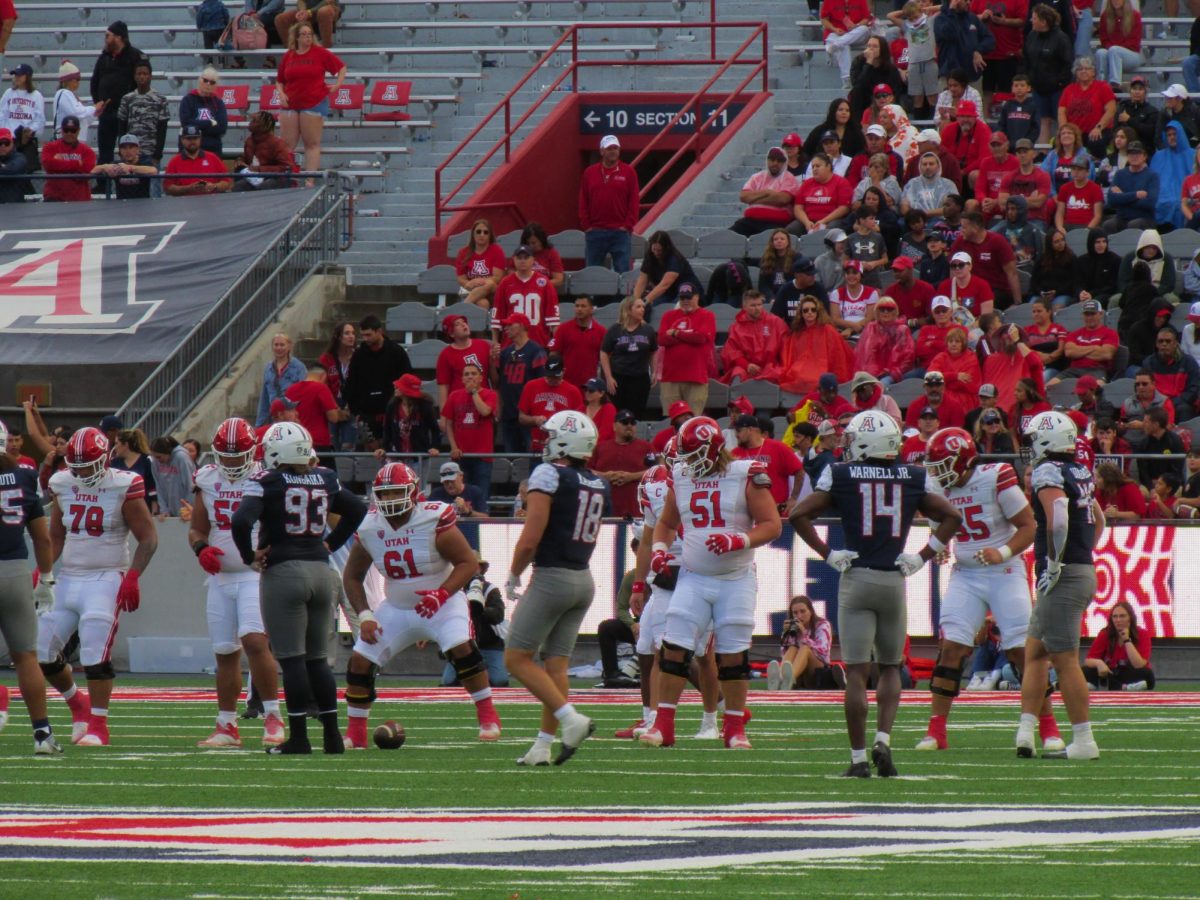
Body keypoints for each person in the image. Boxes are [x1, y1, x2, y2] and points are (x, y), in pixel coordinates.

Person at [790, 410, 962, 777]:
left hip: (856, 577)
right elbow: (951, 517)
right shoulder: (914, 475)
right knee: (890, 667)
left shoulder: (840, 473)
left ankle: (856, 760)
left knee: (855, 672)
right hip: (893, 580)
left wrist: (828, 553)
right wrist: (922, 556)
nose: (847, 446)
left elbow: (798, 515)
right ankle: (883, 738)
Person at [637, 416, 782, 751]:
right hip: (694, 576)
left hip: (736, 578)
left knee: (734, 655)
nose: (686, 463)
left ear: (712, 449)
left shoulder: (744, 474)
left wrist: (739, 540)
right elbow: (666, 523)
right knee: (674, 647)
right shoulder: (683, 477)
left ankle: (734, 729)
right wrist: (659, 550)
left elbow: (772, 524)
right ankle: (663, 726)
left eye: (692, 454)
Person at [916, 427, 1061, 752]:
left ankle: (1049, 727)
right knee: (951, 648)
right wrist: (938, 543)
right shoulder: (939, 486)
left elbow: (1028, 526)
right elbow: (940, 525)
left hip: (1005, 570)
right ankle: (936, 730)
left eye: (943, 464)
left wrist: (1003, 552)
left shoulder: (996, 475)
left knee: (1021, 652)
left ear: (963, 459)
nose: (938, 473)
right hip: (966, 572)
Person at [340, 461, 501, 748]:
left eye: (396, 492)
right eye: (385, 494)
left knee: (461, 648)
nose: (389, 499)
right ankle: (356, 731)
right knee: (359, 660)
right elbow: (352, 577)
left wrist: (441, 593)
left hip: (442, 603)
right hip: (397, 607)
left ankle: (488, 715)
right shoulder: (369, 527)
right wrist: (364, 615)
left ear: (413, 492)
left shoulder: (432, 518)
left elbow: (468, 563)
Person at [231, 422, 364, 754]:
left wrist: (250, 556)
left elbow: (241, 521)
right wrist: (329, 544)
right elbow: (358, 510)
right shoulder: (325, 478)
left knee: (292, 660)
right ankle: (333, 738)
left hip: (284, 572)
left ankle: (300, 738)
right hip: (321, 570)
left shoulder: (267, 481)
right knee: (318, 660)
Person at [39, 427, 158, 746]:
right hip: (69, 577)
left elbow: (148, 537)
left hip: (107, 576)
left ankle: (99, 724)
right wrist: (43, 570)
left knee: (93, 651)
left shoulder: (123, 483)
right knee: (42, 650)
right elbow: (56, 536)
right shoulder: (62, 481)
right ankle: (78, 705)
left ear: (104, 460)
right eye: (75, 465)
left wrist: (132, 575)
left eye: (87, 465)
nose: (80, 472)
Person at [504, 411, 609, 765]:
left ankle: (571, 719)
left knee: (516, 658)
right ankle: (542, 746)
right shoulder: (597, 481)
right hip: (583, 579)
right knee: (556, 666)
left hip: (552, 578)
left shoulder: (548, 474)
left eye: (551, 435)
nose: (545, 441)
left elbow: (531, 537)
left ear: (566, 440)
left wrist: (514, 572)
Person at [188, 418, 285, 748]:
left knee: (256, 642)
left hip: (254, 576)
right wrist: (201, 549)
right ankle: (226, 725)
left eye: (236, 456)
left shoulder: (266, 478)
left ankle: (273, 716)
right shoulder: (207, 479)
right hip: (220, 579)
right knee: (224, 652)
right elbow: (197, 529)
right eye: (225, 456)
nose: (229, 463)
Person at [1015, 410, 1105, 760]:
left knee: (1065, 659)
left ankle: (1084, 740)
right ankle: (1025, 731)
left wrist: (1055, 561)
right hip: (1078, 569)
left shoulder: (1049, 470)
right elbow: (1097, 519)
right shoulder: (1079, 471)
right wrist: (1083, 552)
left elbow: (1058, 520)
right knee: (1035, 651)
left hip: (1064, 574)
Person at [0, 422, 61, 755]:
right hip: (15, 573)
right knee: (26, 657)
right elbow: (42, 536)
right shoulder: (24, 476)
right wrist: (47, 578)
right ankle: (42, 735)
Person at [275, 20, 345, 184]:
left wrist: (337, 85)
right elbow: (279, 80)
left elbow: (341, 67)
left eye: (309, 34)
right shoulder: (289, 55)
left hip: (313, 101)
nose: (307, 37)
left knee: (311, 143)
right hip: (291, 102)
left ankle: (310, 179)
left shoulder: (320, 53)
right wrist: (281, 93)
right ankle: (288, 178)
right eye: (303, 34)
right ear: (297, 37)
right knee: (287, 145)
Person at [441, 554, 508, 688]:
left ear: (480, 569)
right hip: (463, 644)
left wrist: (478, 608)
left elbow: (498, 615)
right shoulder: (453, 589)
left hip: (489, 645)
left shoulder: (490, 589)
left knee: (499, 680)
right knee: (448, 681)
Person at [344, 315, 413, 442]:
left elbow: (407, 379)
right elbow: (351, 384)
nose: (365, 339)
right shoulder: (359, 355)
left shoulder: (396, 352)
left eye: (369, 335)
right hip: (366, 414)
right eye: (363, 335)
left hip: (394, 412)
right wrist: (356, 412)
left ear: (379, 331)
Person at [89, 21, 147, 171]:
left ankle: (128, 181)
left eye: (108, 36)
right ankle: (103, 185)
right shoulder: (104, 57)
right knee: (105, 151)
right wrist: (98, 102)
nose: (105, 39)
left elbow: (143, 81)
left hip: (127, 113)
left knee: (127, 149)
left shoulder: (135, 56)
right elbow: (94, 81)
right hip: (107, 111)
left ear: (119, 37)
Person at [579, 134, 638, 273]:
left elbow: (634, 201)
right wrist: (586, 225)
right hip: (595, 231)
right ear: (602, 151)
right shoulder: (589, 172)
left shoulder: (629, 172)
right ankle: (594, 296)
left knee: (623, 272)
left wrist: (628, 225)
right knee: (592, 272)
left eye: (615, 148)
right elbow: (583, 199)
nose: (613, 151)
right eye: (609, 148)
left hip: (620, 232)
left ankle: (621, 296)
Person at [730, 414, 807, 515]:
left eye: (739, 431)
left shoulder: (777, 447)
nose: (736, 435)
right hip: (746, 514)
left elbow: (799, 471)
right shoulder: (734, 453)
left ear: (750, 429)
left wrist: (793, 499)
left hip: (776, 512)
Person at [657, 283, 716, 414]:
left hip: (696, 376)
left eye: (689, 297)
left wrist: (676, 333)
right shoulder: (668, 316)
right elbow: (661, 339)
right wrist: (690, 334)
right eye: (682, 298)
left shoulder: (707, 315)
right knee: (671, 419)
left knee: (693, 419)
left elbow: (700, 338)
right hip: (670, 377)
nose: (685, 301)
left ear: (697, 297)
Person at [778, 298, 856, 395]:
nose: (809, 312)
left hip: (822, 369)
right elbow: (791, 357)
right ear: (801, 314)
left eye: (813, 309)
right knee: (796, 376)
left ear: (818, 312)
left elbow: (837, 354)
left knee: (813, 379)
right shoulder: (797, 332)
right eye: (806, 310)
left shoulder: (828, 329)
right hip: (800, 369)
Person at [494, 313, 546, 454]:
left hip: (529, 414)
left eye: (511, 325)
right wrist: (492, 361)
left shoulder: (536, 351)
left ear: (522, 326)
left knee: (533, 454)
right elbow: (498, 382)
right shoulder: (505, 353)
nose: (506, 328)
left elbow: (542, 383)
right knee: (510, 457)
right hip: (509, 412)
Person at [492, 244, 560, 349]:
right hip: (511, 344)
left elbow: (553, 320)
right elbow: (497, 318)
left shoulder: (544, 283)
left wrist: (554, 345)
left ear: (533, 259)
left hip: (538, 342)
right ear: (514, 260)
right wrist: (495, 342)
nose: (522, 261)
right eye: (519, 258)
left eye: (526, 257)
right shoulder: (505, 283)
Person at [1023, 5, 1073, 145]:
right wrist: (1030, 79)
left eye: (1033, 18)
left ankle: (1061, 150)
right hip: (1038, 88)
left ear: (1043, 21)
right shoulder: (1031, 36)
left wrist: (1060, 83)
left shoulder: (1061, 38)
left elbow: (1067, 63)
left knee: (1061, 119)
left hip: (1057, 89)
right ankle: (1043, 152)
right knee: (1042, 120)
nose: (1030, 21)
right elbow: (1026, 58)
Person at [599, 296, 655, 420]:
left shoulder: (648, 330)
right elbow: (604, 353)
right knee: (618, 414)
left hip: (640, 378)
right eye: (638, 307)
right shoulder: (615, 330)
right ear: (629, 310)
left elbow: (653, 351)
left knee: (637, 414)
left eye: (643, 307)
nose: (642, 310)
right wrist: (608, 377)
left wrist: (655, 371)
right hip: (618, 377)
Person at [951, 212, 1021, 309]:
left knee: (974, 305)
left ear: (975, 228)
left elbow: (1012, 273)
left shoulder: (997, 241)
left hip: (996, 290)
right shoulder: (960, 242)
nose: (960, 230)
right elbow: (952, 270)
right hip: (970, 288)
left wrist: (1018, 303)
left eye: (963, 227)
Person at [597, 536, 641, 689]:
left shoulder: (666, 572)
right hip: (641, 627)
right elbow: (620, 608)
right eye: (637, 552)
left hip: (664, 627)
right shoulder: (632, 576)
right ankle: (612, 675)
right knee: (606, 627)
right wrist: (633, 624)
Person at [116, 61, 169, 189]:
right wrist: (122, 148)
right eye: (139, 74)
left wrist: (158, 154)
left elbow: (162, 128)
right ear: (134, 76)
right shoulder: (127, 98)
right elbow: (122, 125)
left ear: (150, 76)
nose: (142, 77)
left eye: (145, 74)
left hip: (150, 152)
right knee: (130, 187)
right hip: (131, 153)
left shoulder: (160, 99)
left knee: (153, 189)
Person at [517, 357, 584, 456]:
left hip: (562, 448)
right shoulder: (531, 386)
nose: (552, 379)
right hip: (538, 446)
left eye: (556, 377)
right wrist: (535, 419)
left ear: (563, 371)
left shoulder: (573, 391)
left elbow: (580, 423)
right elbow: (521, 418)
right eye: (549, 376)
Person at [767, 595, 836, 691]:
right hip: (800, 672)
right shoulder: (792, 626)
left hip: (817, 670)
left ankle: (786, 680)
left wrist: (804, 634)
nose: (799, 616)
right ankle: (781, 679)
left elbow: (823, 652)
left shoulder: (822, 625)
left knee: (805, 648)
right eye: (795, 613)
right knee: (792, 648)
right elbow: (784, 654)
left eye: (803, 611)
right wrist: (787, 635)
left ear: (811, 611)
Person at [719, 290, 787, 385]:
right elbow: (731, 351)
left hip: (770, 366)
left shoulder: (775, 322)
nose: (757, 308)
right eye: (753, 305)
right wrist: (746, 365)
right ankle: (737, 400)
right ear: (744, 307)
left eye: (759, 304)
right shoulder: (736, 327)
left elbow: (786, 347)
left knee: (778, 374)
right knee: (737, 375)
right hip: (746, 367)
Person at [1083, 601, 1154, 691]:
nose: (1118, 620)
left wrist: (1127, 640)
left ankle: (1112, 686)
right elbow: (1088, 660)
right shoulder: (1105, 634)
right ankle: (1124, 687)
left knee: (1147, 675)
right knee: (1086, 671)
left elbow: (1139, 665)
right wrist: (1099, 663)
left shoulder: (1142, 634)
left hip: (1129, 673)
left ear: (1130, 618)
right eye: (1115, 617)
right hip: (1109, 672)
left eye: (1122, 616)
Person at [1057, 57, 1116, 160]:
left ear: (1093, 72)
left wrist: (1098, 127)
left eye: (1087, 68)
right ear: (1075, 72)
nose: (1083, 71)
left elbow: (1111, 110)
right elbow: (1061, 111)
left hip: (1098, 129)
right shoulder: (1069, 89)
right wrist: (1064, 129)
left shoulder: (1103, 87)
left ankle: (1100, 164)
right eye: (1080, 69)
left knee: (1095, 141)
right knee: (1060, 141)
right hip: (1076, 131)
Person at [731, 148, 799, 237]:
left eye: (779, 161)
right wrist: (766, 193)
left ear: (784, 163)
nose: (775, 163)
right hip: (750, 221)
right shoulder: (757, 177)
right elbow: (743, 196)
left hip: (775, 222)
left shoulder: (789, 178)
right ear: (767, 160)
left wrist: (754, 199)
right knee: (729, 236)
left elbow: (782, 199)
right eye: (772, 159)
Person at [285, 361, 345, 456]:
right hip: (318, 442)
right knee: (326, 470)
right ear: (323, 376)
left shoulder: (290, 390)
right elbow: (333, 418)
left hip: (296, 440)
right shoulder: (321, 388)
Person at [548, 296, 605, 392]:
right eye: (577, 306)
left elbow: (605, 359)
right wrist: (554, 375)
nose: (579, 309)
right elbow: (554, 354)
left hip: (589, 386)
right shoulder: (563, 329)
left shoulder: (601, 332)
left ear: (591, 309)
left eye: (583, 306)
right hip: (565, 383)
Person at [853, 296, 914, 386]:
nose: (886, 312)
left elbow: (907, 358)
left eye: (889, 309)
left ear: (895, 312)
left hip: (893, 374)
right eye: (882, 309)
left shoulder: (902, 329)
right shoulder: (871, 327)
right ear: (877, 312)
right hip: (872, 373)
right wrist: (871, 375)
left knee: (882, 384)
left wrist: (892, 374)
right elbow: (866, 356)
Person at [1143, 327, 1200, 421]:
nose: (1164, 344)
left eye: (1168, 341)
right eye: (1160, 341)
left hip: (1180, 404)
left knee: (1184, 409)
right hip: (1156, 403)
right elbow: (1145, 388)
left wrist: (1171, 402)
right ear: (1156, 344)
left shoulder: (1189, 362)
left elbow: (1193, 390)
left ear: (1175, 344)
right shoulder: (1148, 363)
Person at [377, 373, 439, 460]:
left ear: (406, 390)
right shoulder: (392, 405)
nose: (395, 387)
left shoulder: (424, 406)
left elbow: (435, 429)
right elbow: (387, 429)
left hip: (419, 458)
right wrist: (384, 448)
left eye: (399, 386)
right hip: (397, 456)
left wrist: (434, 447)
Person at [1054, 299, 1117, 383]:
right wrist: (1095, 348)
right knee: (1050, 386)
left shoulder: (1110, 333)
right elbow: (1069, 352)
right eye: (1087, 314)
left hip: (1097, 370)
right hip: (1074, 370)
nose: (1089, 317)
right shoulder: (1074, 334)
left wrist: (1079, 352)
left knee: (1097, 387)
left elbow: (1106, 354)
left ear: (1101, 314)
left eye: (1093, 314)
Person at [1102, 140, 1157, 233]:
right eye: (1131, 153)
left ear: (1144, 156)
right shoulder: (1120, 174)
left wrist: (1122, 196)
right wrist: (1135, 195)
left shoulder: (1152, 176)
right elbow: (1111, 200)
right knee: (1108, 225)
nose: (1134, 156)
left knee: (1134, 224)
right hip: (1122, 217)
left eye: (1138, 153)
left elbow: (1150, 203)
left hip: (1144, 218)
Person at [318, 321, 356, 451]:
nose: (351, 336)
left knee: (348, 446)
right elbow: (322, 386)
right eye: (347, 333)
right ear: (338, 337)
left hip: (352, 405)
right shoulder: (326, 359)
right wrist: (334, 408)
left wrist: (351, 406)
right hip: (331, 405)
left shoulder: (359, 357)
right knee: (332, 445)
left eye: (353, 333)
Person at [233, 110, 295, 191]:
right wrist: (240, 161)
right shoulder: (249, 141)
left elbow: (286, 167)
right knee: (239, 186)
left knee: (265, 186)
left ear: (263, 126)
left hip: (275, 179)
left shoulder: (276, 143)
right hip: (254, 177)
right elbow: (246, 158)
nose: (250, 123)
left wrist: (260, 169)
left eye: (254, 121)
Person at [164, 124, 231, 196]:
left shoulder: (212, 157)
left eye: (195, 138)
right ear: (182, 140)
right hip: (183, 204)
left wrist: (214, 186)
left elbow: (227, 182)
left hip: (210, 203)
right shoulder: (174, 161)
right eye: (189, 139)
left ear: (200, 139)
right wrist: (189, 188)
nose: (192, 141)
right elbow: (168, 187)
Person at [256, 333, 306, 427]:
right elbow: (264, 398)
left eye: (282, 345)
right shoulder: (268, 368)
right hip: (274, 417)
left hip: (291, 416)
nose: (279, 348)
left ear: (289, 346)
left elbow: (303, 394)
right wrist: (259, 424)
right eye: (276, 345)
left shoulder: (299, 367)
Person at [820, 0, 874, 89]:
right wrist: (834, 29)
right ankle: (847, 79)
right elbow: (824, 20)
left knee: (864, 29)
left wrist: (856, 26)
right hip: (836, 33)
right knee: (844, 45)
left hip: (855, 32)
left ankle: (836, 44)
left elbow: (866, 19)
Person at [40, 115, 94, 202]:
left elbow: (86, 171)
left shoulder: (87, 151)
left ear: (78, 130)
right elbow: (49, 165)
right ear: (61, 130)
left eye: (73, 130)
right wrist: (76, 164)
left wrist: (59, 164)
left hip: (80, 200)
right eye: (66, 130)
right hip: (54, 198)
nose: (69, 133)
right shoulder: (49, 147)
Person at [454, 218, 505, 308]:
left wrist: (480, 281)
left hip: (492, 291)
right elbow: (461, 278)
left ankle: (462, 308)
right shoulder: (463, 253)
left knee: (490, 284)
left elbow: (497, 278)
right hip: (472, 289)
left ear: (490, 235)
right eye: (478, 232)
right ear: (473, 234)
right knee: (483, 304)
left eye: (486, 232)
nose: (482, 235)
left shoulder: (497, 251)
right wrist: (468, 283)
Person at [1094, 0, 1144, 90]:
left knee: (1114, 50)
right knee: (1101, 52)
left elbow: (1134, 42)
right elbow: (1104, 40)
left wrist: (1115, 48)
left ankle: (1115, 84)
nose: (1116, 1)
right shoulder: (1105, 16)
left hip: (1131, 54)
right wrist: (1112, 49)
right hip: (1112, 53)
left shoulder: (1135, 16)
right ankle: (1101, 84)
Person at [179, 67, 228, 158]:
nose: (208, 84)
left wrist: (198, 127)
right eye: (205, 80)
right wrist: (210, 122)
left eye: (212, 82)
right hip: (191, 148)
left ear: (216, 85)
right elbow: (186, 124)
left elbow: (222, 127)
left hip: (213, 148)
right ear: (199, 80)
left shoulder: (218, 102)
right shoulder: (188, 100)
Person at [90, 132, 156, 199]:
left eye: (131, 147)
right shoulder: (117, 164)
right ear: (120, 150)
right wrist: (105, 167)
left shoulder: (144, 160)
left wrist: (130, 167)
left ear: (137, 149)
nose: (128, 151)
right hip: (121, 204)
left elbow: (153, 170)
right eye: (124, 148)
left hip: (142, 204)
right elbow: (91, 170)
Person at [109, 428, 158, 515]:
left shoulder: (146, 461)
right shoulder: (114, 463)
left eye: (117, 443)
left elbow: (152, 487)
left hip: (142, 508)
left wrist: (154, 510)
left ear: (126, 445)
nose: (114, 447)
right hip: (119, 509)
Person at [54, 60, 102, 143]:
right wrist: (94, 108)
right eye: (76, 80)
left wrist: (94, 115)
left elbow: (82, 120)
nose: (78, 83)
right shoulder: (64, 93)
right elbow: (76, 113)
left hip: (78, 141)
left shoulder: (71, 96)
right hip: (67, 140)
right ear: (67, 81)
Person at [900, 152, 958, 221]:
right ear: (920, 167)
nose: (927, 167)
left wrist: (926, 214)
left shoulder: (948, 184)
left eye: (931, 164)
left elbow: (952, 207)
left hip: (941, 220)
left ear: (938, 166)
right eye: (924, 164)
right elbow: (904, 205)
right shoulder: (912, 183)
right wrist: (913, 217)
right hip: (915, 220)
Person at [772, 255, 830, 323]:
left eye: (813, 274)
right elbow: (775, 316)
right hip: (791, 331)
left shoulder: (819, 289)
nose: (813, 277)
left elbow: (825, 315)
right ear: (797, 275)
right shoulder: (786, 290)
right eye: (809, 274)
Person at [148, 436, 195, 518]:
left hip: (185, 510)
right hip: (168, 511)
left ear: (168, 452)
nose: (157, 460)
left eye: (159, 457)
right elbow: (158, 488)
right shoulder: (155, 461)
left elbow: (190, 485)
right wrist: (164, 509)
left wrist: (187, 507)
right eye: (155, 457)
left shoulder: (181, 458)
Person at [1029, 230, 1076, 310]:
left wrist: (1056, 292)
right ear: (1050, 244)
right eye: (1056, 242)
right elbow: (1034, 282)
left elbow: (1073, 281)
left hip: (1062, 294)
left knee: (1055, 308)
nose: (1061, 243)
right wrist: (1041, 292)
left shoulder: (1071, 258)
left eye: (1062, 240)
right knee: (1031, 309)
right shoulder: (1041, 260)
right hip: (1041, 295)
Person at [1054, 160, 1103, 233]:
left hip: (1086, 225)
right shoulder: (1064, 188)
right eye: (1073, 169)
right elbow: (1060, 212)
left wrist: (1088, 229)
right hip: (1068, 225)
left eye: (1080, 169)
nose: (1076, 172)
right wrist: (1060, 228)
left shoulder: (1096, 189)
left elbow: (1097, 215)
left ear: (1087, 172)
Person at [996, 73, 1042, 148]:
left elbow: (1036, 128)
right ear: (1012, 88)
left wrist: (1027, 142)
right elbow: (1001, 125)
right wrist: (1005, 141)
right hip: (1008, 146)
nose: (1019, 88)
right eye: (1016, 85)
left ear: (1029, 88)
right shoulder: (1007, 105)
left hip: (1026, 147)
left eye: (1022, 85)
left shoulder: (1033, 106)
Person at [274, 0, 342, 48]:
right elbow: (301, 1)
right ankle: (291, 51)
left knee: (324, 12)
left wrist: (309, 12)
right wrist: (302, 11)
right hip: (309, 10)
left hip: (329, 7)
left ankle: (326, 49)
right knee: (280, 19)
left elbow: (328, 1)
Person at [518, 222, 564, 290]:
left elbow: (558, 280)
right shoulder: (520, 253)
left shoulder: (551, 253)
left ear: (541, 240)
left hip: (544, 290)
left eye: (533, 243)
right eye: (527, 243)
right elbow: (512, 273)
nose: (530, 246)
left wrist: (538, 284)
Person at [1156, 84, 1200, 150]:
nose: (1167, 100)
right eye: (1166, 97)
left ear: (1180, 98)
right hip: (1171, 152)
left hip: (1193, 150)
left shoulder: (1194, 111)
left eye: (1170, 97)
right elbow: (1158, 137)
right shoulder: (1164, 114)